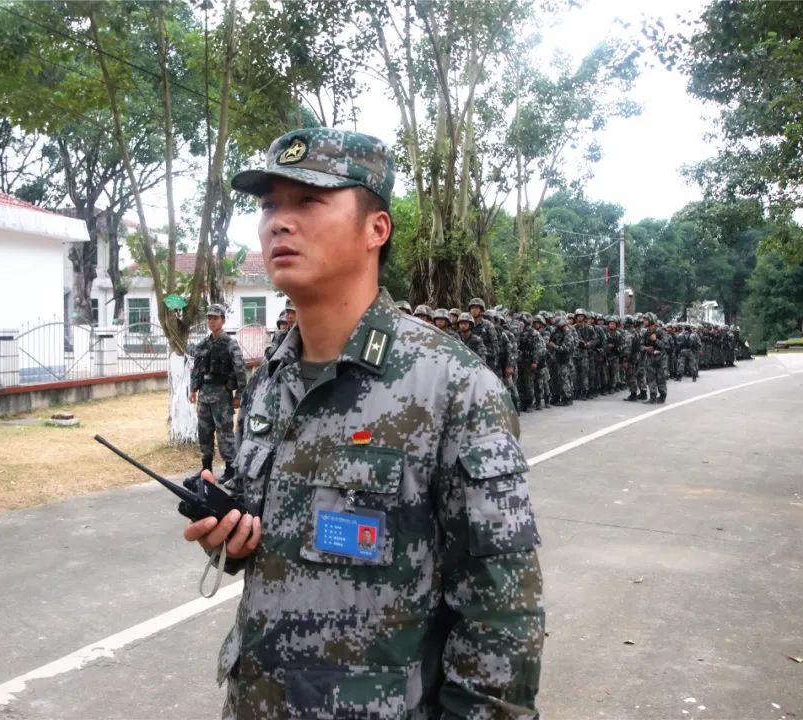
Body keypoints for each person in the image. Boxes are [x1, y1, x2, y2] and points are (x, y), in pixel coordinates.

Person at [184, 127, 543, 719]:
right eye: (269, 204)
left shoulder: (451, 385)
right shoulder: (272, 378)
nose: (279, 222)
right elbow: (275, 529)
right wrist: (232, 532)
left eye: (308, 201)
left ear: (377, 229)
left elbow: (503, 611)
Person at [189, 304, 247, 483]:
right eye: (209, 318)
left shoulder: (230, 344)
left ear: (223, 320)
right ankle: (206, 469)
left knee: (225, 435)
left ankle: (230, 470)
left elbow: (240, 370)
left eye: (215, 318)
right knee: (204, 433)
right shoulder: (203, 344)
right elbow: (196, 368)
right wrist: (193, 389)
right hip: (204, 396)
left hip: (222, 396)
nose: (211, 321)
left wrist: (239, 395)